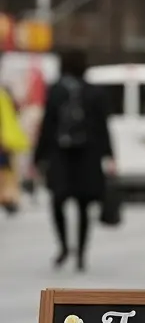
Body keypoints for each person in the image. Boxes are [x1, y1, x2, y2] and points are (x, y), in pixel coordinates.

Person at [33, 49, 114, 269]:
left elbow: (47, 125)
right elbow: (102, 127)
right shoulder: (95, 92)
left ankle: (63, 246)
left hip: (61, 155)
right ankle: (81, 253)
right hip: (87, 155)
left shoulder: (57, 91)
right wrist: (109, 155)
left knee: (57, 201)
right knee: (83, 206)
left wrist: (38, 156)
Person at [0, 82, 29, 214]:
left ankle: (7, 197)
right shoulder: (3, 95)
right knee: (7, 171)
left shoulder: (3, 96)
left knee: (6, 171)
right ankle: (8, 197)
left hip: (4, 141)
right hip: (5, 141)